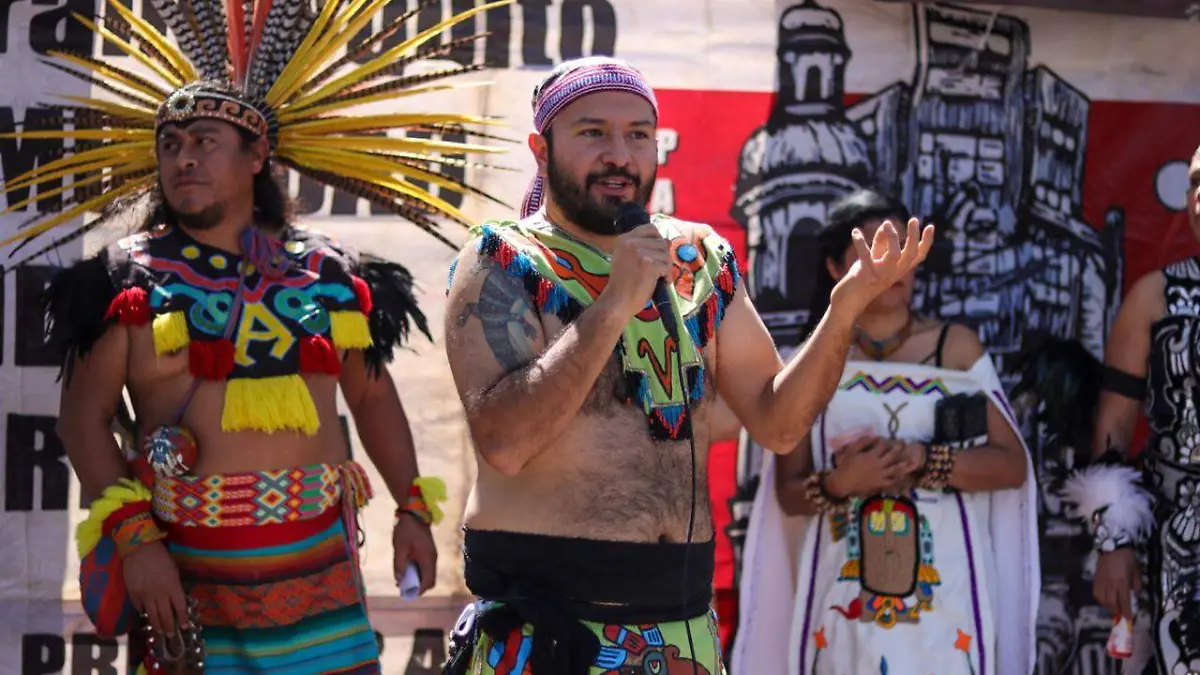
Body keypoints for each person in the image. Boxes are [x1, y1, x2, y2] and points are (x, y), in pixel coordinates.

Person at [1, 4, 506, 672]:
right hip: (188, 580)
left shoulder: (329, 274)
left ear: (257, 155)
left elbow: (371, 397)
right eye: (170, 145)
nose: (184, 158)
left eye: (204, 141)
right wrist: (136, 542)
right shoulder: (123, 280)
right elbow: (82, 420)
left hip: (321, 574)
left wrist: (412, 507)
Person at [439, 57, 934, 675]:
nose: (619, 155)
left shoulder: (701, 259)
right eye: (593, 133)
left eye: (638, 134)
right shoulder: (501, 257)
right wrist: (615, 303)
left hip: (683, 630)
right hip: (549, 631)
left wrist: (845, 310)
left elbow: (779, 424)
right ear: (542, 149)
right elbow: (505, 443)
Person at [730, 189, 1039, 675]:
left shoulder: (955, 350)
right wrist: (842, 483)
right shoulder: (809, 364)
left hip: (947, 597)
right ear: (836, 268)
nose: (891, 264)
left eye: (901, 248)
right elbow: (787, 494)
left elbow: (1011, 466)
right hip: (842, 603)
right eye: (873, 249)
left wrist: (924, 460)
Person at [1047, 145, 1200, 675]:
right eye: (1195, 184)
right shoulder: (1156, 297)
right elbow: (1114, 423)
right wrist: (1114, 541)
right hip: (1180, 543)